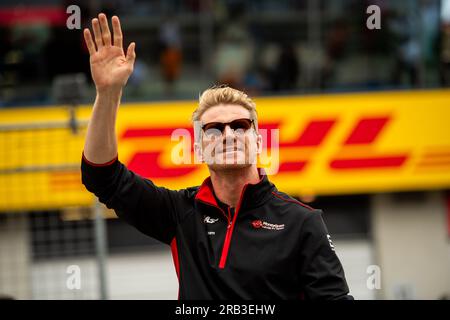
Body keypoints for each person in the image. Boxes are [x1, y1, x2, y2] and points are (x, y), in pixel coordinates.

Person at [81, 14, 353, 300]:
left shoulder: (303, 222)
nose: (228, 134)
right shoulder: (180, 213)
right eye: (214, 129)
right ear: (198, 148)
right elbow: (102, 176)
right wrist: (108, 93)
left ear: (258, 142)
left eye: (240, 125)